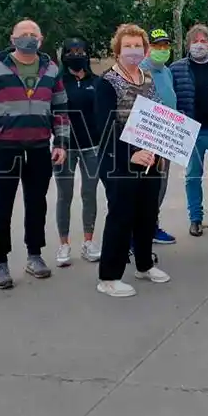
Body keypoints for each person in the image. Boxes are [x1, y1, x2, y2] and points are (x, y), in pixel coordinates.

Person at [0, 19, 68, 289]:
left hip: (38, 148)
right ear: (12, 39)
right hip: (4, 148)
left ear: (41, 38)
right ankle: (0, 262)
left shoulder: (52, 70)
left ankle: (34, 256)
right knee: (1, 207)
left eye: (33, 34)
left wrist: (61, 143)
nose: (28, 37)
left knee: (37, 205)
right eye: (22, 34)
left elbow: (61, 110)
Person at [95, 23, 171, 298]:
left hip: (149, 155)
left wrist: (161, 148)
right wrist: (130, 154)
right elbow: (104, 128)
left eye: (138, 45)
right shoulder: (107, 82)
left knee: (147, 212)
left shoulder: (147, 78)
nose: (133, 50)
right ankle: (109, 276)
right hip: (119, 159)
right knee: (121, 215)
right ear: (117, 50)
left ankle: (144, 264)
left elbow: (156, 115)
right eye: (127, 46)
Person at [170, 23, 208, 237]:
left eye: (203, 41)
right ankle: (195, 219)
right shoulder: (176, 68)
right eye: (195, 41)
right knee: (193, 177)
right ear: (188, 44)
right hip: (192, 133)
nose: (199, 45)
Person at [54, 37, 102, 267]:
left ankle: (88, 241)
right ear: (64, 56)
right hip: (64, 148)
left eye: (80, 50)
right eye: (71, 51)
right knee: (64, 195)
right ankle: (64, 244)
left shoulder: (97, 82)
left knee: (89, 193)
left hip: (92, 146)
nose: (76, 54)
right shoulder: (58, 82)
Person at [140, 28, 178, 245]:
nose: (162, 50)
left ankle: (152, 225)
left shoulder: (166, 70)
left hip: (167, 136)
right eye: (157, 46)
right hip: (147, 136)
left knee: (160, 185)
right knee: (147, 185)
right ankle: (141, 229)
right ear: (148, 49)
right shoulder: (140, 70)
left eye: (165, 46)